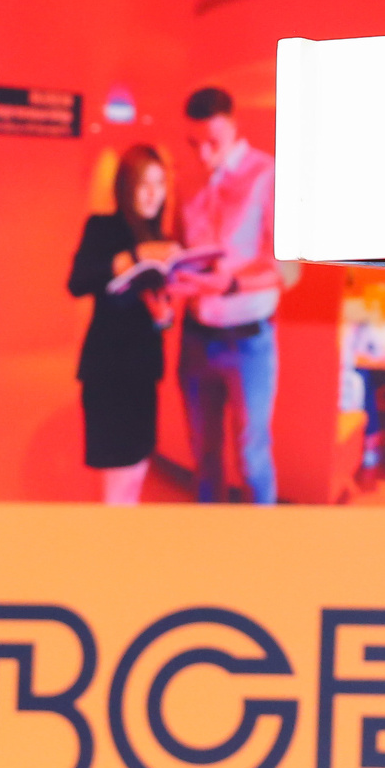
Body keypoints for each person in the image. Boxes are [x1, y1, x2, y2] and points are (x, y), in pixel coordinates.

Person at [170, 85, 290, 505]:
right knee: (203, 457)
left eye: (212, 142)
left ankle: (264, 545)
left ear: (234, 127)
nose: (203, 155)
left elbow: (287, 269)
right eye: (194, 144)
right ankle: (209, 541)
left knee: (252, 457)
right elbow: (182, 250)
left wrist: (231, 284)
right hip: (195, 336)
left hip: (249, 341)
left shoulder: (267, 174)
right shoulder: (186, 180)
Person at [67, 145, 178, 506]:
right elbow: (77, 282)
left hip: (143, 373)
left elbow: (162, 315)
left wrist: (164, 318)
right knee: (117, 487)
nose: (153, 193)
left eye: (159, 183)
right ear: (125, 187)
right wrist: (134, 257)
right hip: (108, 372)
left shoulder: (160, 239)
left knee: (136, 478)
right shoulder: (102, 228)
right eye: (143, 184)